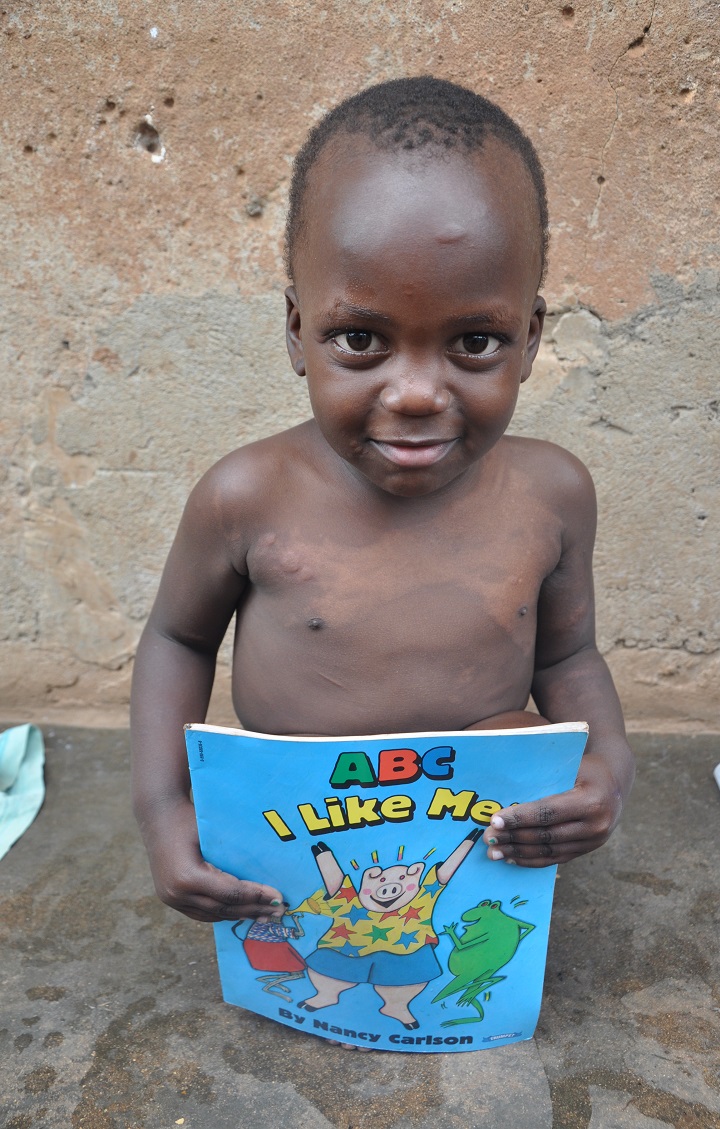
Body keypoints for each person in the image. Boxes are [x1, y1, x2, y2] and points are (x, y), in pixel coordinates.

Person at [131, 76, 635, 932]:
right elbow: (178, 639)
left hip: (472, 848)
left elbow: (568, 658)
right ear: (297, 331)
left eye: (475, 342)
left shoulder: (552, 495)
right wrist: (164, 808)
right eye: (359, 340)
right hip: (299, 840)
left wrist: (607, 769)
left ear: (531, 339)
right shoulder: (245, 496)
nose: (413, 393)